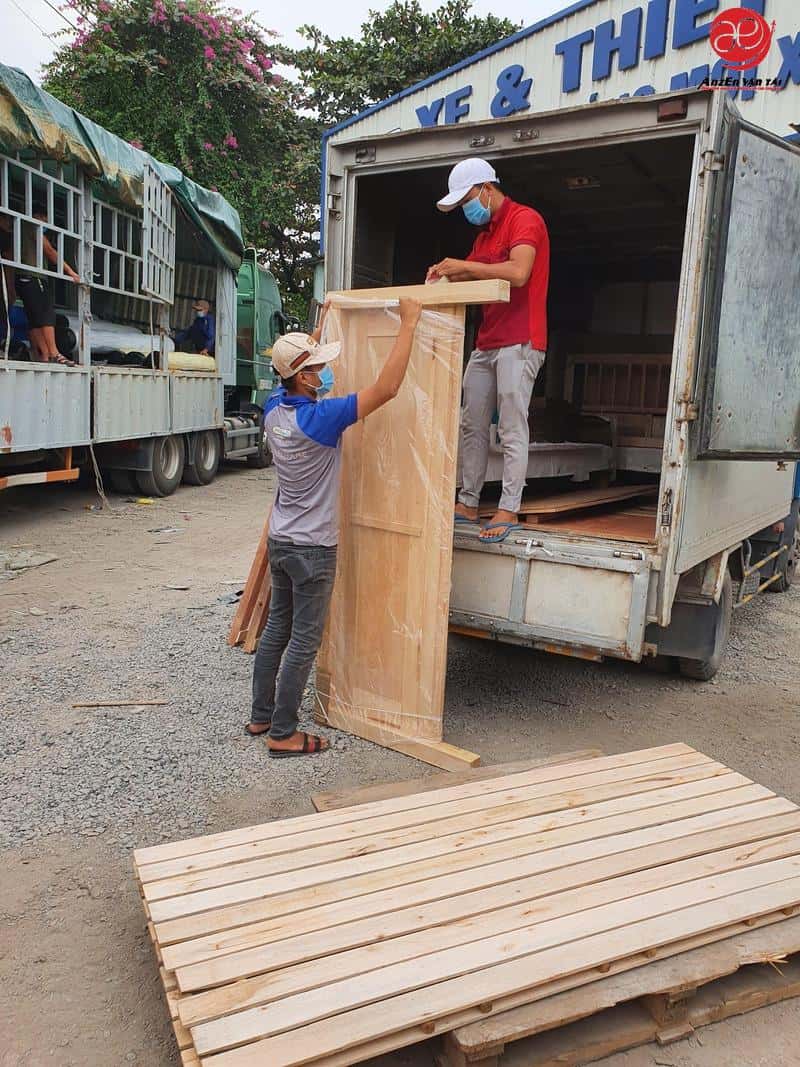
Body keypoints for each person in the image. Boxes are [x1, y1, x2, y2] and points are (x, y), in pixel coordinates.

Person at [248, 297, 423, 757]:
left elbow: (288, 372)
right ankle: (283, 733)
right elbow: (386, 388)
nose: (325, 373)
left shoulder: (274, 411)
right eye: (318, 368)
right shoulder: (321, 420)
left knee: (277, 630)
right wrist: (409, 322)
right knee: (305, 640)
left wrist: (316, 330)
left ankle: (261, 714)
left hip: (282, 541)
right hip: (312, 549)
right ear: (301, 377)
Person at [427, 157, 550, 543]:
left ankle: (508, 505)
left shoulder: (524, 219)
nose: (467, 209)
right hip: (487, 342)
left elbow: (519, 273)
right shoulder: (484, 238)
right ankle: (468, 501)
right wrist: (444, 272)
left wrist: (463, 266)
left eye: (467, 200)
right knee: (472, 421)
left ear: (486, 188)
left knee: (512, 423)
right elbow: (468, 271)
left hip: (521, 339)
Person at [15, 210, 80, 366]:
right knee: (46, 314)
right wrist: (71, 272)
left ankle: (44, 355)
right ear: (38, 216)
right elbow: (50, 251)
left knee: (34, 318)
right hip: (34, 276)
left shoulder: (18, 227)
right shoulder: (32, 226)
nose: (46, 223)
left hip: (21, 277)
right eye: (45, 219)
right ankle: (54, 353)